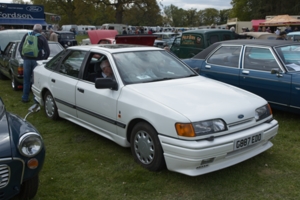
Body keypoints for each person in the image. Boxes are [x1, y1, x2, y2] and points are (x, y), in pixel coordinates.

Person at [18, 24, 50, 103]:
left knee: (26, 80)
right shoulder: (42, 37)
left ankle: (25, 97)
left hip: (27, 60)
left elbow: (20, 48)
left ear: (33, 29)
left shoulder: (26, 35)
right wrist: (42, 59)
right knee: (36, 80)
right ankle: (36, 99)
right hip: (37, 61)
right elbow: (47, 51)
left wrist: (24, 57)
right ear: (41, 30)